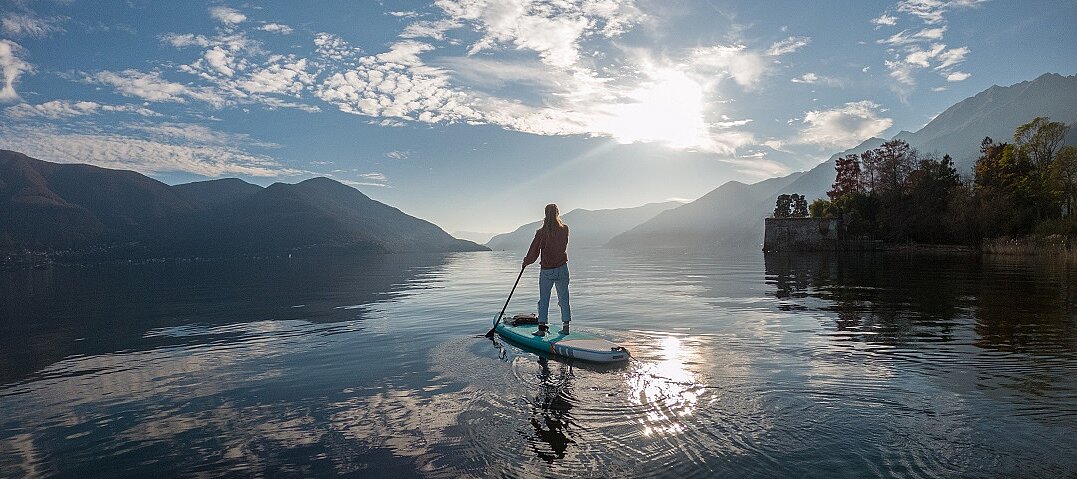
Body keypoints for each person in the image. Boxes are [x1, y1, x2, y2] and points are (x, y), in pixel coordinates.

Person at [522, 204, 571, 336]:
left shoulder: (541, 233)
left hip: (547, 270)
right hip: (562, 269)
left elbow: (534, 252)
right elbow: (562, 245)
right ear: (557, 213)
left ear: (545, 214)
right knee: (564, 298)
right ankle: (566, 328)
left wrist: (526, 262)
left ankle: (542, 329)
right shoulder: (565, 229)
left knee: (544, 299)